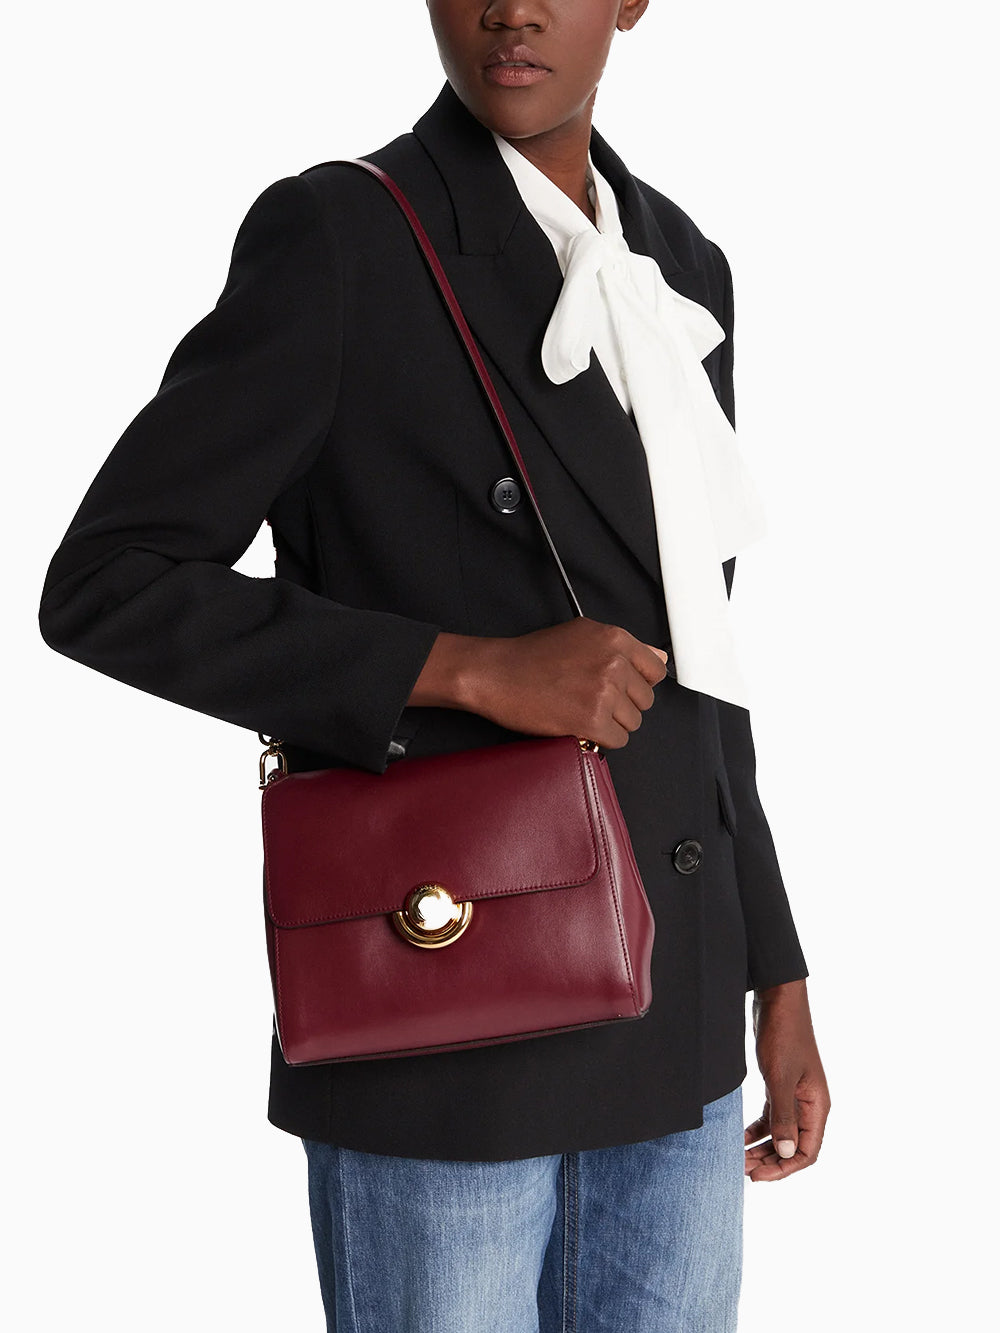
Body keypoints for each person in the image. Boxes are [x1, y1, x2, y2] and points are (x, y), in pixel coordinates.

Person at [37, 1, 831, 1328]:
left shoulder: (680, 265)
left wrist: (779, 971)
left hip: (678, 1016)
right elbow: (109, 584)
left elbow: (703, 654)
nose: (512, 9)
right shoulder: (345, 236)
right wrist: (464, 667)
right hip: (447, 1003)